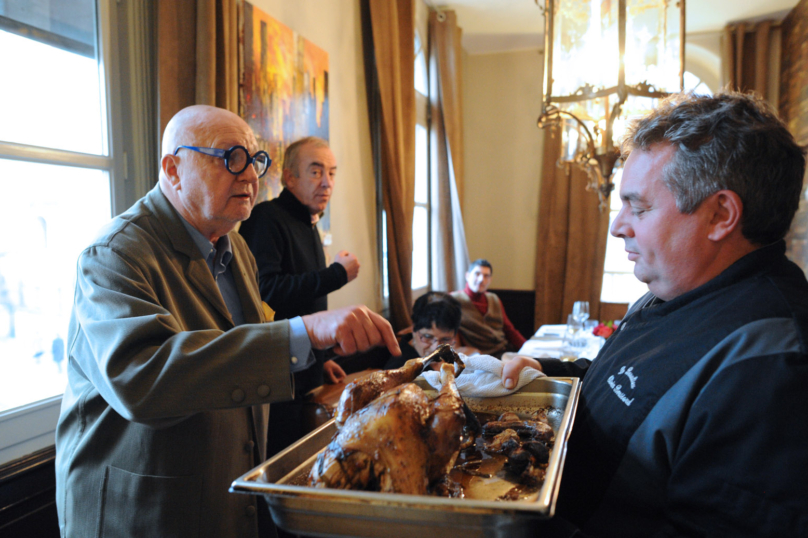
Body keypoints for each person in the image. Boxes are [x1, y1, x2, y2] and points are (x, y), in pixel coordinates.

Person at [54, 105, 400, 538]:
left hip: (223, 498)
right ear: (173, 168)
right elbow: (143, 377)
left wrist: (313, 348)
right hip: (145, 511)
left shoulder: (236, 249)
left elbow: (251, 335)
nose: (251, 176)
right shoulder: (114, 256)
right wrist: (306, 330)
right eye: (230, 158)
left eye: (254, 160)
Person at [501, 92, 808, 537]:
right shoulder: (670, 289)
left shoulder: (773, 366)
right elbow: (627, 382)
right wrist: (549, 373)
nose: (617, 225)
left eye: (639, 207)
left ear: (720, 214)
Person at [238, 136, 359, 454]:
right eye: (316, 172)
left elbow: (303, 304)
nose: (327, 183)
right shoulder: (266, 219)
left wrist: (318, 362)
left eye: (332, 173)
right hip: (273, 378)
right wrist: (337, 274)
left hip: (302, 370)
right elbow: (268, 294)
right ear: (289, 177)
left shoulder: (306, 222)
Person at [451, 259, 526, 358]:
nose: (481, 279)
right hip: (482, 356)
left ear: (490, 280)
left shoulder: (494, 299)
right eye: (477, 274)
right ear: (467, 276)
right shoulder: (454, 301)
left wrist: (527, 348)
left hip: (505, 350)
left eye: (486, 276)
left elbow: (509, 330)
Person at [383, 291, 463, 370]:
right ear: (413, 329)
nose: (435, 348)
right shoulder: (401, 369)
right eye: (428, 337)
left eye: (445, 339)